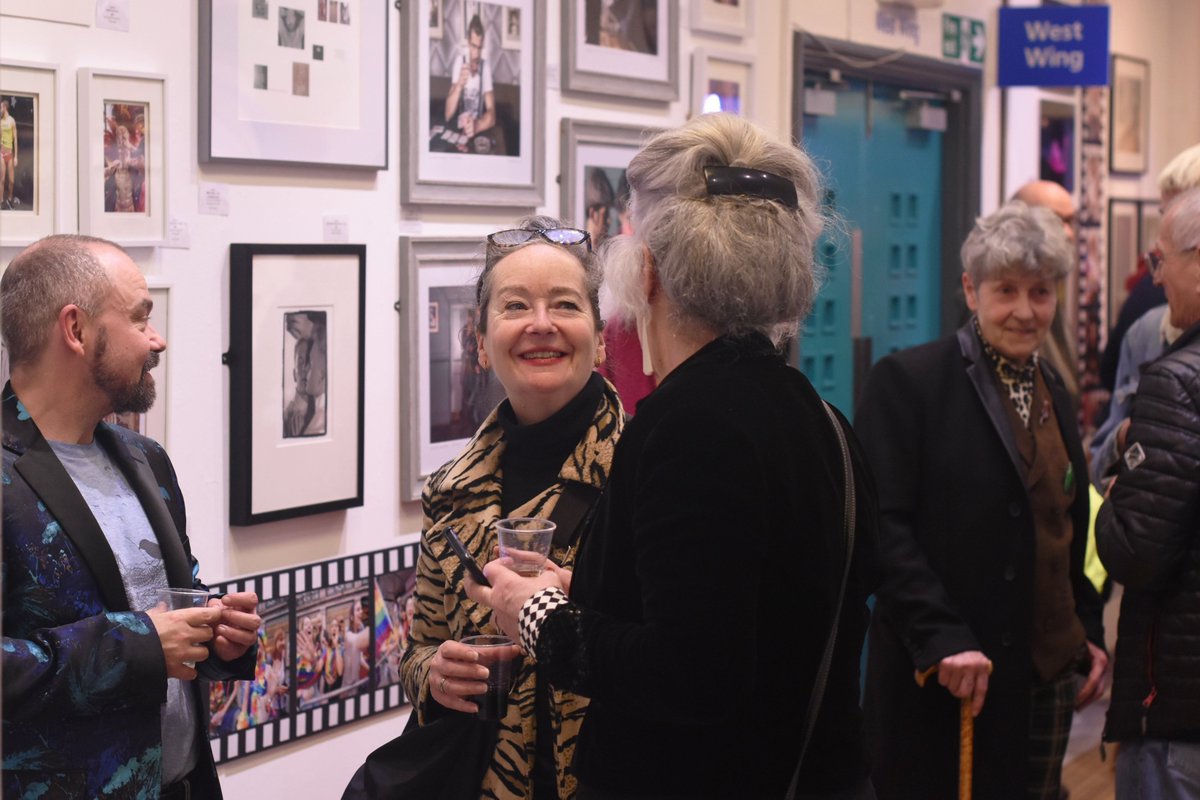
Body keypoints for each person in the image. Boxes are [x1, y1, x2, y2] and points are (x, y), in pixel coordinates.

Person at [467, 113, 880, 798]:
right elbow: (753, 606)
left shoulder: (689, 429)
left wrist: (538, 617)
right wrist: (589, 591)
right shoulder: (821, 418)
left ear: (649, 271)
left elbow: (689, 673)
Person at [855, 201, 1109, 800]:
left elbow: (1069, 523)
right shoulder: (909, 384)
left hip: (1046, 672)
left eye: (1041, 292)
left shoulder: (1057, 393)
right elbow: (883, 528)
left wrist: (1089, 629)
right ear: (971, 290)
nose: (1025, 311)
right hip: (948, 678)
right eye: (1006, 291)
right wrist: (941, 635)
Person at [1, 234, 261, 799]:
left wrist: (217, 631)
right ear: (75, 330)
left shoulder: (145, 458)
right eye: (141, 319)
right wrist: (140, 646)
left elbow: (173, 595)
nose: (156, 340)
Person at [397, 216, 625, 799]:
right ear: (479, 342)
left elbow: (684, 661)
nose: (541, 325)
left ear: (601, 338)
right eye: (516, 305)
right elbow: (418, 649)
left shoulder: (645, 474)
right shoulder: (450, 490)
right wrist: (434, 675)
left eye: (566, 305)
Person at [1096, 187, 1200, 800]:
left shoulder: (1178, 381)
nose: (1155, 280)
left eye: (1161, 261)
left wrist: (1116, 494)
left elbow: (1135, 551)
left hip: (1180, 714)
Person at [1089, 143, 1200, 487]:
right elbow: (1098, 462)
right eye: (1167, 210)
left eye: (1185, 213)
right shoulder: (1146, 332)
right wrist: (1126, 440)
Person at [1013, 180, 1081, 404]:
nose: (1069, 233)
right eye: (1056, 220)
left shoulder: (1052, 283)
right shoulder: (996, 301)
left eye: (1071, 221)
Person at [437, 14, 496, 154]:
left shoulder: (485, 67)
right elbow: (447, 114)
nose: (476, 54)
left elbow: (492, 115)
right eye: (474, 47)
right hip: (458, 132)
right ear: (469, 42)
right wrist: (459, 85)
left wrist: (477, 125)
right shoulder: (460, 62)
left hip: (477, 132)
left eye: (480, 48)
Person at [0, 99, 17, 210]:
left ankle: (9, 199)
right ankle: (1, 201)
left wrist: (16, 156)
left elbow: (15, 139)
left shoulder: (12, 121)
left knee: (11, 181)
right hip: (1, 153)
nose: (0, 110)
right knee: (2, 179)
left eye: (1, 107)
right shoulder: (0, 122)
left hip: (10, 154)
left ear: (5, 108)